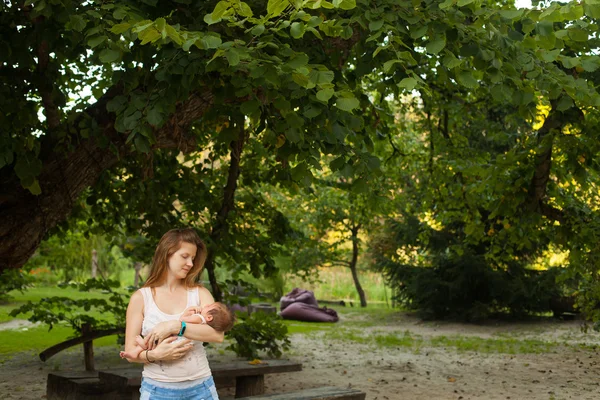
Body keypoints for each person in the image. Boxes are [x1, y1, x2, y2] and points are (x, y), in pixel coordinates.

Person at [122, 228, 225, 400]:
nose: (191, 264)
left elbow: (217, 334)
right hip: (156, 392)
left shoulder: (199, 293)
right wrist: (155, 355)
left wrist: (176, 326)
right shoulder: (141, 298)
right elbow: (130, 352)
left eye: (192, 259)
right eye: (185, 256)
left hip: (201, 390)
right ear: (167, 254)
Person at [120, 302, 235, 361]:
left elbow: (182, 321)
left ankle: (142, 346)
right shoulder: (204, 324)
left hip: (176, 337)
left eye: (209, 306)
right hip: (179, 341)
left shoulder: (199, 318)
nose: (205, 305)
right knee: (155, 341)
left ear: (209, 317)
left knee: (155, 340)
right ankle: (139, 349)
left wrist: (187, 312)